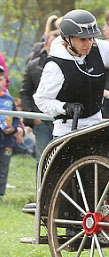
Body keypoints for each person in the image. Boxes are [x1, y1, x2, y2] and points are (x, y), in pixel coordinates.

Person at [33, 9, 109, 137]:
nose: (88, 44)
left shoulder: (98, 48)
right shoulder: (55, 65)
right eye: (82, 39)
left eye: (91, 38)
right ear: (67, 39)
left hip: (97, 125)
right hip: (67, 132)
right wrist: (64, 107)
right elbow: (41, 100)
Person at [20, 14, 60, 159]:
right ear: (45, 46)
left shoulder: (69, 66)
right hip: (41, 120)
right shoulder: (33, 66)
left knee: (61, 159)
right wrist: (31, 118)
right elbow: (25, 92)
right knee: (43, 160)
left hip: (62, 120)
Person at [0, 67, 22, 202]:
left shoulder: (9, 99)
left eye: (1, 79)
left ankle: (1, 195)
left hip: (7, 140)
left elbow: (16, 117)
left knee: (3, 167)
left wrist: (13, 129)